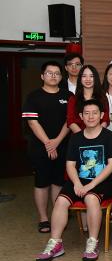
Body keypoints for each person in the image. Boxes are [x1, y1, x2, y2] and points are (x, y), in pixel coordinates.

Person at [36, 99, 112, 261]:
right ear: (81, 116)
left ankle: (92, 243)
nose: (90, 117)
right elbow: (70, 165)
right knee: (60, 201)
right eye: (86, 113)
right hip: (79, 181)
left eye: (94, 113)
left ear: (102, 115)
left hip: (103, 182)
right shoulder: (76, 138)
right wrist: (77, 183)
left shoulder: (110, 137)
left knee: (91, 198)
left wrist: (91, 185)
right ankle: (55, 243)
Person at [22, 61, 71, 233]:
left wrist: (57, 141)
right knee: (42, 182)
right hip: (39, 147)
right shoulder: (33, 96)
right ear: (42, 76)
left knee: (58, 182)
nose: (53, 76)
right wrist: (49, 144)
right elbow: (32, 122)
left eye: (57, 73)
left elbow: (69, 121)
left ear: (61, 76)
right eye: (49, 73)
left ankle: (57, 217)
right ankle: (43, 218)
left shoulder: (68, 95)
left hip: (63, 145)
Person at [67, 65, 110, 133]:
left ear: (95, 78)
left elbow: (105, 119)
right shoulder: (73, 99)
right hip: (79, 136)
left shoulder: (102, 98)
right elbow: (71, 121)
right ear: (80, 78)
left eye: (91, 76)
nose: (88, 79)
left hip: (99, 136)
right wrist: (83, 136)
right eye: (84, 76)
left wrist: (97, 135)